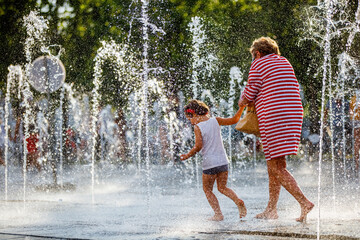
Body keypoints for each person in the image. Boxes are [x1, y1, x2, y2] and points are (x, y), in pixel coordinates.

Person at [238, 37, 314, 222]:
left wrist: (241, 102)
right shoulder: (284, 61)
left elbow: (249, 94)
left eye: (253, 56)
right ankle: (271, 209)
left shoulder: (258, 64)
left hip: (274, 115)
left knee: (275, 166)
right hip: (293, 114)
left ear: (257, 53)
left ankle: (304, 202)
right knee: (277, 165)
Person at [180, 99, 247, 221]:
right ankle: (237, 201)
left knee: (207, 190)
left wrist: (187, 155)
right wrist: (241, 108)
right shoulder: (215, 120)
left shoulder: (198, 127)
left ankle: (218, 214)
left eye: (190, 118)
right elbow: (234, 120)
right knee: (222, 188)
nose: (190, 121)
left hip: (209, 163)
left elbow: (198, 146)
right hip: (223, 161)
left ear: (194, 114)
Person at [350, 90, 360, 174]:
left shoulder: (354, 96)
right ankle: (356, 164)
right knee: (356, 143)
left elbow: (351, 110)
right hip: (356, 121)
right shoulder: (355, 96)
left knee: (356, 142)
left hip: (355, 121)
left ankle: (356, 165)